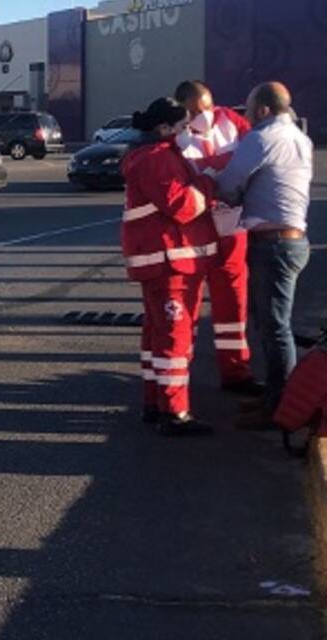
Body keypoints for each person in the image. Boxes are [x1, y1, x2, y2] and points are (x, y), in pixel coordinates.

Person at [213, 82, 314, 429]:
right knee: (272, 324)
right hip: (291, 240)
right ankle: (274, 399)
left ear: (264, 110)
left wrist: (209, 181)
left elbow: (229, 185)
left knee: (275, 328)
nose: (248, 115)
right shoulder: (300, 138)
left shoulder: (261, 138)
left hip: (273, 244)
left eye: (250, 107)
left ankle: (280, 408)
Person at [121, 97, 219, 436]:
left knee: (157, 336)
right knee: (174, 339)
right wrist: (209, 185)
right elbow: (182, 204)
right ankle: (175, 412)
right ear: (164, 129)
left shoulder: (154, 156)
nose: (186, 132)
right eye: (181, 127)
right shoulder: (158, 158)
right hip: (170, 261)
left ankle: (155, 401)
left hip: (162, 260)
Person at [174, 80, 260, 394]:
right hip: (196, 231)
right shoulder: (176, 137)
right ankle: (178, 376)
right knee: (185, 307)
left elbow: (254, 155)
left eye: (207, 107)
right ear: (182, 110)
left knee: (233, 307)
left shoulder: (231, 122)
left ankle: (237, 372)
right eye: (196, 111)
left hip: (232, 228)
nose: (204, 115)